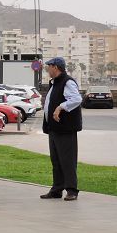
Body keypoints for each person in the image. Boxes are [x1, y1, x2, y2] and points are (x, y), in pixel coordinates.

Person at [39, 56, 83, 201]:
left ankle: (72, 190)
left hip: (65, 128)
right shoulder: (55, 82)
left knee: (67, 160)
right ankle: (57, 189)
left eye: (49, 66)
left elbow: (76, 99)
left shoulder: (67, 82)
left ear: (55, 67)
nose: (47, 69)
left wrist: (60, 107)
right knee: (56, 160)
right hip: (54, 128)